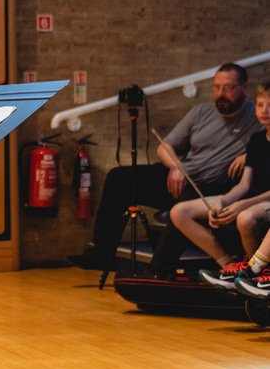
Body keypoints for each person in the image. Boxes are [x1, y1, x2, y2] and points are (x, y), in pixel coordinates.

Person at [68, 63, 262, 274]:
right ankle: (101, 253)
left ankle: (158, 270)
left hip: (210, 186)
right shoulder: (201, 112)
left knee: (184, 204)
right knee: (119, 178)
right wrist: (175, 167)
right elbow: (164, 147)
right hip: (181, 176)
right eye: (216, 87)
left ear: (244, 88)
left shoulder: (258, 116)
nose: (220, 94)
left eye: (228, 88)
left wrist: (249, 154)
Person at [187, 83, 270, 289]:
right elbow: (244, 185)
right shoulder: (256, 140)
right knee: (180, 211)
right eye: (260, 105)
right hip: (251, 197)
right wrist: (224, 202)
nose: (264, 111)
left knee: (245, 217)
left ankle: (254, 272)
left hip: (263, 200)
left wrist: (241, 205)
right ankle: (230, 265)